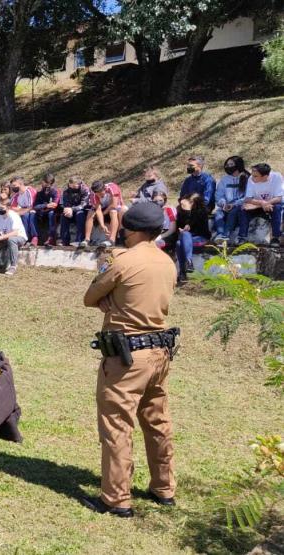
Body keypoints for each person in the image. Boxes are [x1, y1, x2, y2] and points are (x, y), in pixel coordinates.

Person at [82, 201, 179, 518]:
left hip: (127, 357)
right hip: (160, 353)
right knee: (158, 422)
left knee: (117, 425)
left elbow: (90, 297)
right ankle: (164, 488)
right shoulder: (168, 262)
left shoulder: (121, 261)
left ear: (130, 229)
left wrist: (109, 294)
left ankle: (116, 498)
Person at [239, 163, 284, 246]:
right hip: (258, 204)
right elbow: (248, 198)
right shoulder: (251, 179)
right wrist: (262, 203)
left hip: (272, 204)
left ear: (265, 176)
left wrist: (264, 203)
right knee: (244, 209)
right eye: (252, 175)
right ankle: (242, 237)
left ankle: (275, 238)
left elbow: (279, 198)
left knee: (278, 208)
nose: (252, 177)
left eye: (255, 176)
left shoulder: (277, 177)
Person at [175, 194, 211, 282]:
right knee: (179, 242)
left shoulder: (202, 212)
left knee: (185, 235)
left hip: (201, 238)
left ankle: (183, 271)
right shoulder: (183, 212)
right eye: (189, 201)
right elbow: (179, 225)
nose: (188, 203)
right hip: (187, 239)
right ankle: (188, 265)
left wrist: (188, 211)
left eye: (191, 202)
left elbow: (193, 222)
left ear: (196, 203)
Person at [213, 156, 248, 242]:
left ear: (238, 165)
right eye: (227, 164)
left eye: (231, 164)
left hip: (239, 206)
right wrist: (223, 204)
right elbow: (218, 195)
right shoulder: (224, 179)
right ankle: (220, 234)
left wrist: (234, 204)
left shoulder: (247, 178)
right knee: (218, 213)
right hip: (226, 205)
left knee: (234, 211)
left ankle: (226, 235)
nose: (228, 166)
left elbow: (248, 196)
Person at [81, 180, 123, 248]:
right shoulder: (93, 194)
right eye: (97, 194)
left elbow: (114, 205)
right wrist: (102, 225)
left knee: (113, 211)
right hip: (103, 208)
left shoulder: (112, 187)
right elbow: (98, 210)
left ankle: (112, 240)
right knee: (90, 212)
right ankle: (87, 239)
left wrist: (103, 213)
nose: (100, 195)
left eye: (101, 193)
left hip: (115, 207)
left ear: (104, 189)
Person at [59, 176, 89, 246]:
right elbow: (62, 203)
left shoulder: (85, 189)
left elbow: (84, 204)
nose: (71, 187)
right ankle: (64, 240)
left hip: (82, 210)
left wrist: (72, 209)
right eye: (70, 185)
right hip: (70, 210)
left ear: (78, 184)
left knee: (80, 214)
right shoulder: (66, 190)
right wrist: (66, 209)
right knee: (63, 216)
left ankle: (79, 240)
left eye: (73, 186)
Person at [33, 173, 61, 246]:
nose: (46, 185)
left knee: (51, 213)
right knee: (32, 214)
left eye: (48, 184)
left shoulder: (55, 191)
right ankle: (34, 237)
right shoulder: (40, 193)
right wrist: (46, 205)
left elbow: (55, 204)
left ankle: (51, 237)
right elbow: (35, 206)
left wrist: (43, 207)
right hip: (42, 212)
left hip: (52, 212)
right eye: (45, 182)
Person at [9, 177, 37, 245]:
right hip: (25, 211)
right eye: (12, 186)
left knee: (25, 215)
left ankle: (32, 237)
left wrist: (19, 211)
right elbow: (11, 208)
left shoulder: (29, 191)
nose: (13, 188)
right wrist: (17, 211)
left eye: (14, 186)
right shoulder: (16, 195)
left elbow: (31, 207)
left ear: (21, 184)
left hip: (35, 210)